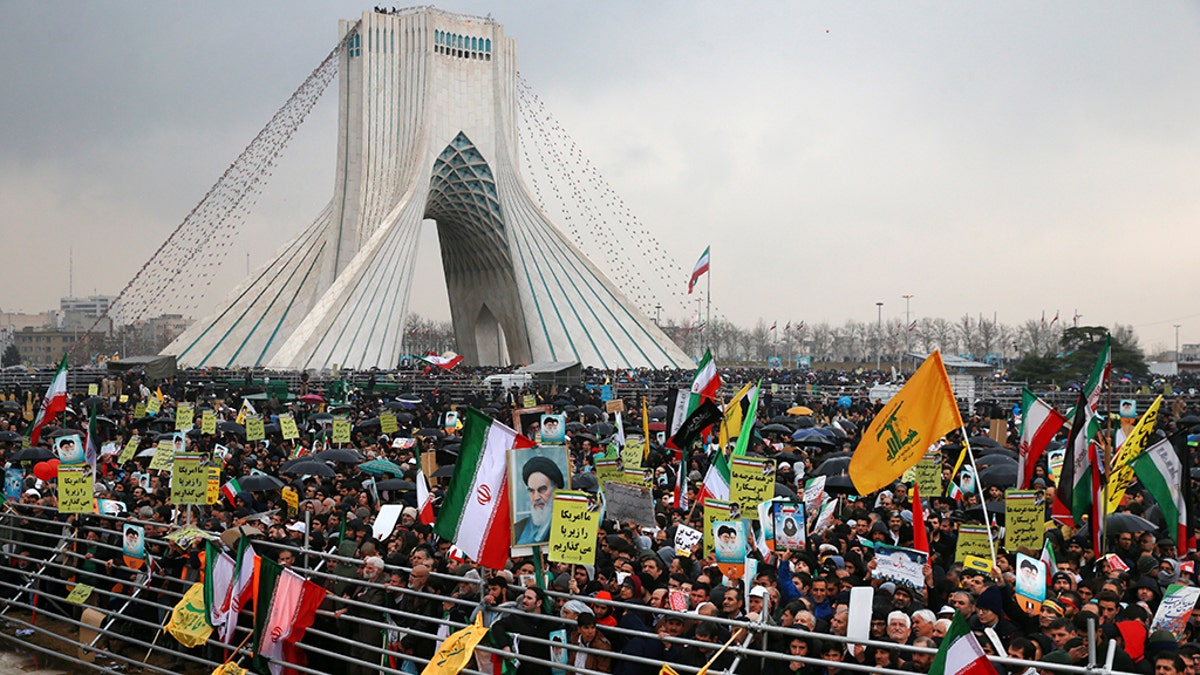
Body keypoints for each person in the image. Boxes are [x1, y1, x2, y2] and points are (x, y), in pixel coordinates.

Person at [514, 456, 565, 544]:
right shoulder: (518, 529)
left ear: (555, 490)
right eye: (531, 491)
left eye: (542, 489)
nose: (536, 497)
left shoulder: (567, 526)